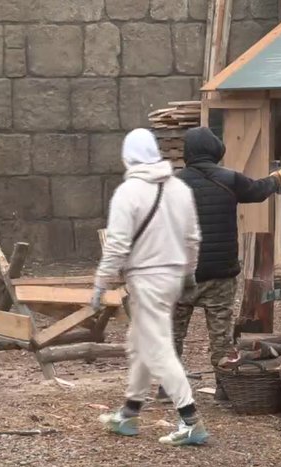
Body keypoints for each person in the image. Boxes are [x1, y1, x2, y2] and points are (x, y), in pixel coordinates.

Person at [91, 128, 208, 446]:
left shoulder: (128, 193)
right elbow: (193, 239)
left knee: (157, 348)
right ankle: (129, 414)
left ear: (129, 155)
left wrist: (101, 282)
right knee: (141, 342)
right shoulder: (179, 189)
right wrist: (188, 272)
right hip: (172, 278)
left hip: (145, 279)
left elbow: (116, 245)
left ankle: (190, 420)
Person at [170, 126, 281, 399]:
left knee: (173, 333)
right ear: (215, 151)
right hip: (220, 273)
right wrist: (276, 179)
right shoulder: (229, 179)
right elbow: (258, 191)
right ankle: (225, 387)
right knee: (220, 337)